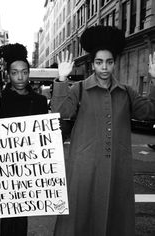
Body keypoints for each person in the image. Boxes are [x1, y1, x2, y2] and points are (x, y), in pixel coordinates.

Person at [51, 25, 155, 236]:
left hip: (117, 168)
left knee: (113, 219)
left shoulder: (126, 92)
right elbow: (60, 111)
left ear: (114, 63)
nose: (104, 67)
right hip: (84, 169)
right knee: (80, 218)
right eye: (99, 62)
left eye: (109, 62)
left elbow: (149, 111)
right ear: (93, 65)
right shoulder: (78, 89)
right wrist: (62, 80)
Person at [0, 43, 49, 236]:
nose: (20, 77)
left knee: (22, 216)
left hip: (29, 167)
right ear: (8, 74)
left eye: (24, 72)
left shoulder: (39, 102)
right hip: (4, 168)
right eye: (15, 72)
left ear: (29, 73)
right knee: (7, 219)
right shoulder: (0, 100)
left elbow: (47, 138)